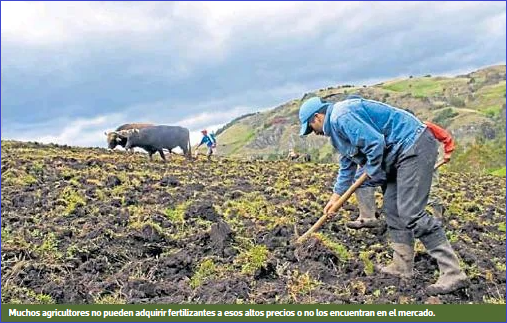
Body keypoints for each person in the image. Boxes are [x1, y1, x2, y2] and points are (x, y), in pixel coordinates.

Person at [298, 96, 469, 295]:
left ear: (318, 117)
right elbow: (347, 165)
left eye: (311, 128)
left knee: (411, 212)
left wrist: (369, 170)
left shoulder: (342, 116)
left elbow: (374, 143)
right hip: (397, 156)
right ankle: (402, 266)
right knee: (392, 209)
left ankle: (453, 272)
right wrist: (335, 197)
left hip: (412, 146)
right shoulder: (337, 132)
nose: (314, 133)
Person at [347, 121, 455, 229]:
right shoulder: (391, 131)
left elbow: (445, 135)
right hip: (404, 159)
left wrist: (448, 152)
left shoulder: (423, 126)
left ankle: (437, 218)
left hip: (427, 157)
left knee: (430, 187)